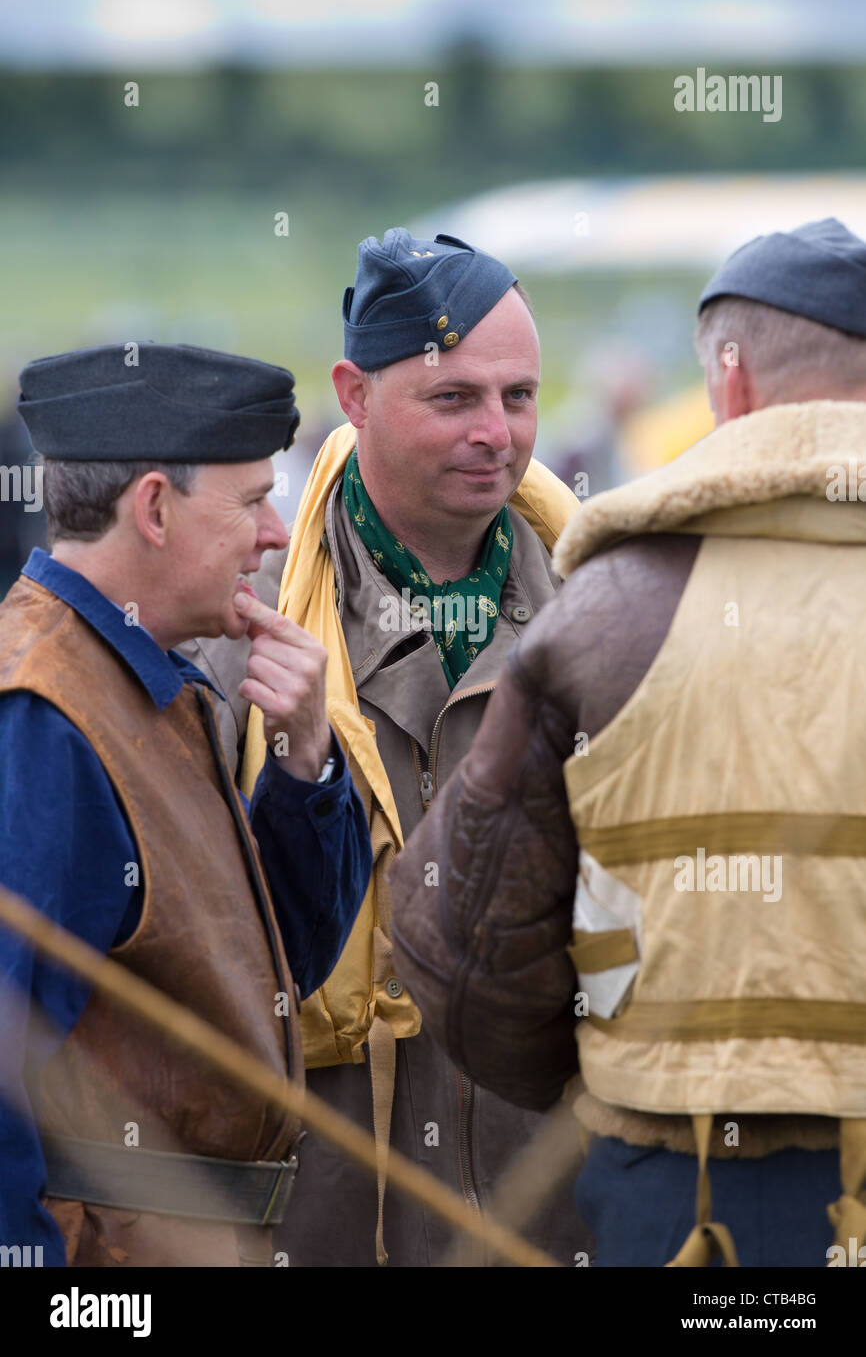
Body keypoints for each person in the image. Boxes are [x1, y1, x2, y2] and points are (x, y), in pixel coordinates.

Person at [389, 216, 866, 1268]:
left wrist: (607, 1074)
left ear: (728, 394)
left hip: (690, 1197)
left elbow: (472, 952)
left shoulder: (604, 611)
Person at [190, 228, 586, 1266]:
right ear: (353, 395)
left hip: (549, 1211)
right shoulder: (233, 634)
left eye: (518, 396)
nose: (495, 433)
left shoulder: (604, 617)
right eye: (452, 397)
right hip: (321, 1214)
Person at [0, 342, 372, 1268]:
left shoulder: (154, 681)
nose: (278, 531)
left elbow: (266, 977)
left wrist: (301, 768)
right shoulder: (42, 714)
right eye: (252, 500)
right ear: (156, 508)